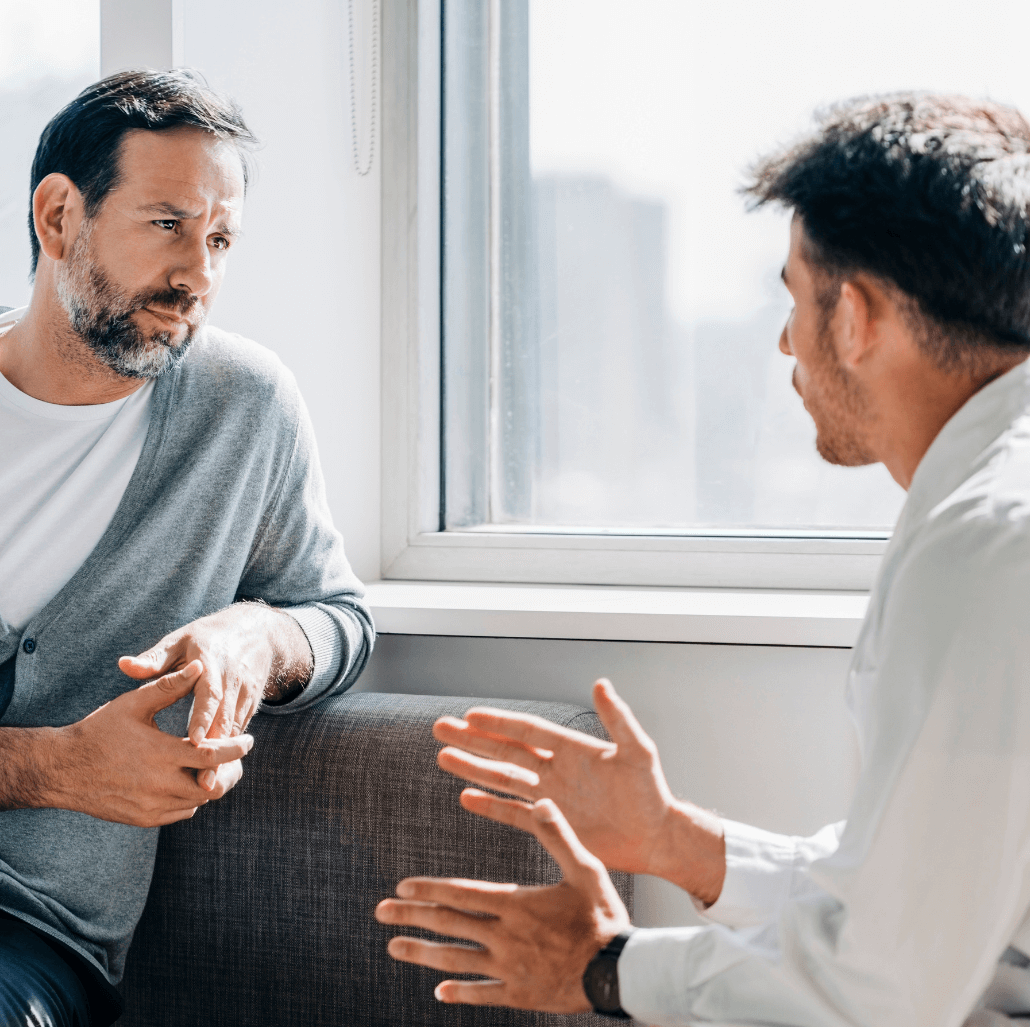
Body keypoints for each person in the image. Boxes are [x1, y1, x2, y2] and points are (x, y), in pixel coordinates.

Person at [376, 93, 1030, 1027]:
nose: (783, 339)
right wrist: (679, 843)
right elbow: (917, 900)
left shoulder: (984, 548)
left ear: (856, 316)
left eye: (794, 298)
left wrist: (604, 971)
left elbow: (879, 992)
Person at [0, 70, 373, 1026]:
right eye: (167, 224)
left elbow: (339, 615)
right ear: (60, 217)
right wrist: (58, 766)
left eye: (219, 239)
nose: (199, 274)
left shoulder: (244, 408)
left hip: (30, 936)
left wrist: (256, 641)